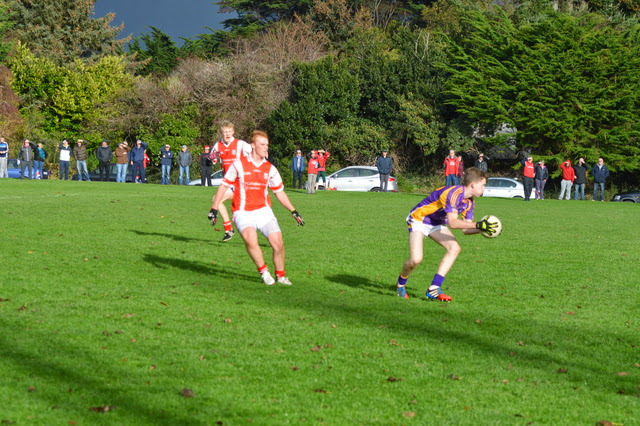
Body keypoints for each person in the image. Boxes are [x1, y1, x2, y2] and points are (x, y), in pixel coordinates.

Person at [208, 130, 305, 286]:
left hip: (264, 211)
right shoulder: (239, 165)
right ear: (253, 146)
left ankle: (281, 276)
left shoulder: (270, 168)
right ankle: (264, 272)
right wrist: (214, 208)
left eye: (267, 145)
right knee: (251, 241)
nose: (266, 148)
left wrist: (293, 211)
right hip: (243, 212)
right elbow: (224, 185)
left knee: (278, 243)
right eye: (262, 144)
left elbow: (279, 193)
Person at [395, 167, 497, 301]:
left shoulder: (469, 202)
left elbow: (466, 229)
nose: (484, 188)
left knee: (454, 248)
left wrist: (484, 229)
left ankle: (434, 289)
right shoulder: (453, 193)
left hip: (435, 223)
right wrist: (478, 224)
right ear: (473, 185)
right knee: (416, 259)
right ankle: (400, 285)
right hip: (419, 219)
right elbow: (454, 223)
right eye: (483, 185)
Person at [209, 121, 252, 242]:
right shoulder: (218, 146)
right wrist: (211, 158)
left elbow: (256, 152)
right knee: (217, 200)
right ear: (221, 133)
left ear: (233, 131)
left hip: (241, 181)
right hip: (229, 182)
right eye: (224, 132)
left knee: (218, 201)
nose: (227, 134)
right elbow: (212, 159)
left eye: (229, 131)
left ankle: (228, 227)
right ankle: (228, 228)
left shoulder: (241, 144)